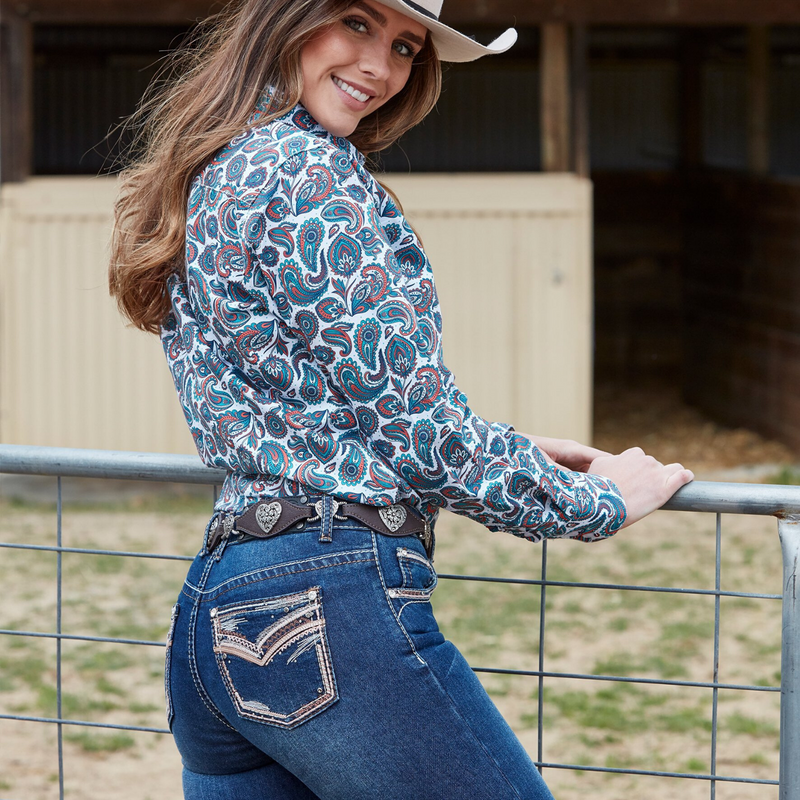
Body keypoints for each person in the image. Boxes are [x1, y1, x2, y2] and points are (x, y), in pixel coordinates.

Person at [109, 1, 694, 797]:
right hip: (326, 601)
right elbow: (419, 431)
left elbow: (321, 406)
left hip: (222, 603)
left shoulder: (219, 165)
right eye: (356, 22)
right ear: (288, 17)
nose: (380, 66)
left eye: (406, 46)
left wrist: (512, 452)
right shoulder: (306, 173)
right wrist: (597, 502)